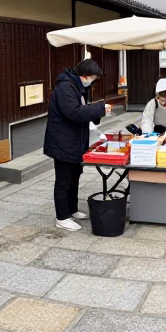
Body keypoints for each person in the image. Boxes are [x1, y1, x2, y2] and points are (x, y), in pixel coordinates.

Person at [44, 59, 111, 231]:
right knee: (64, 180)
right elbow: (74, 112)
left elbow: (83, 110)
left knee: (74, 177)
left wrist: (97, 111)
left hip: (74, 140)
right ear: (85, 76)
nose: (92, 82)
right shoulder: (66, 87)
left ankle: (72, 210)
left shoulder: (77, 86)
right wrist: (100, 109)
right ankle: (62, 216)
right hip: (63, 141)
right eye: (93, 78)